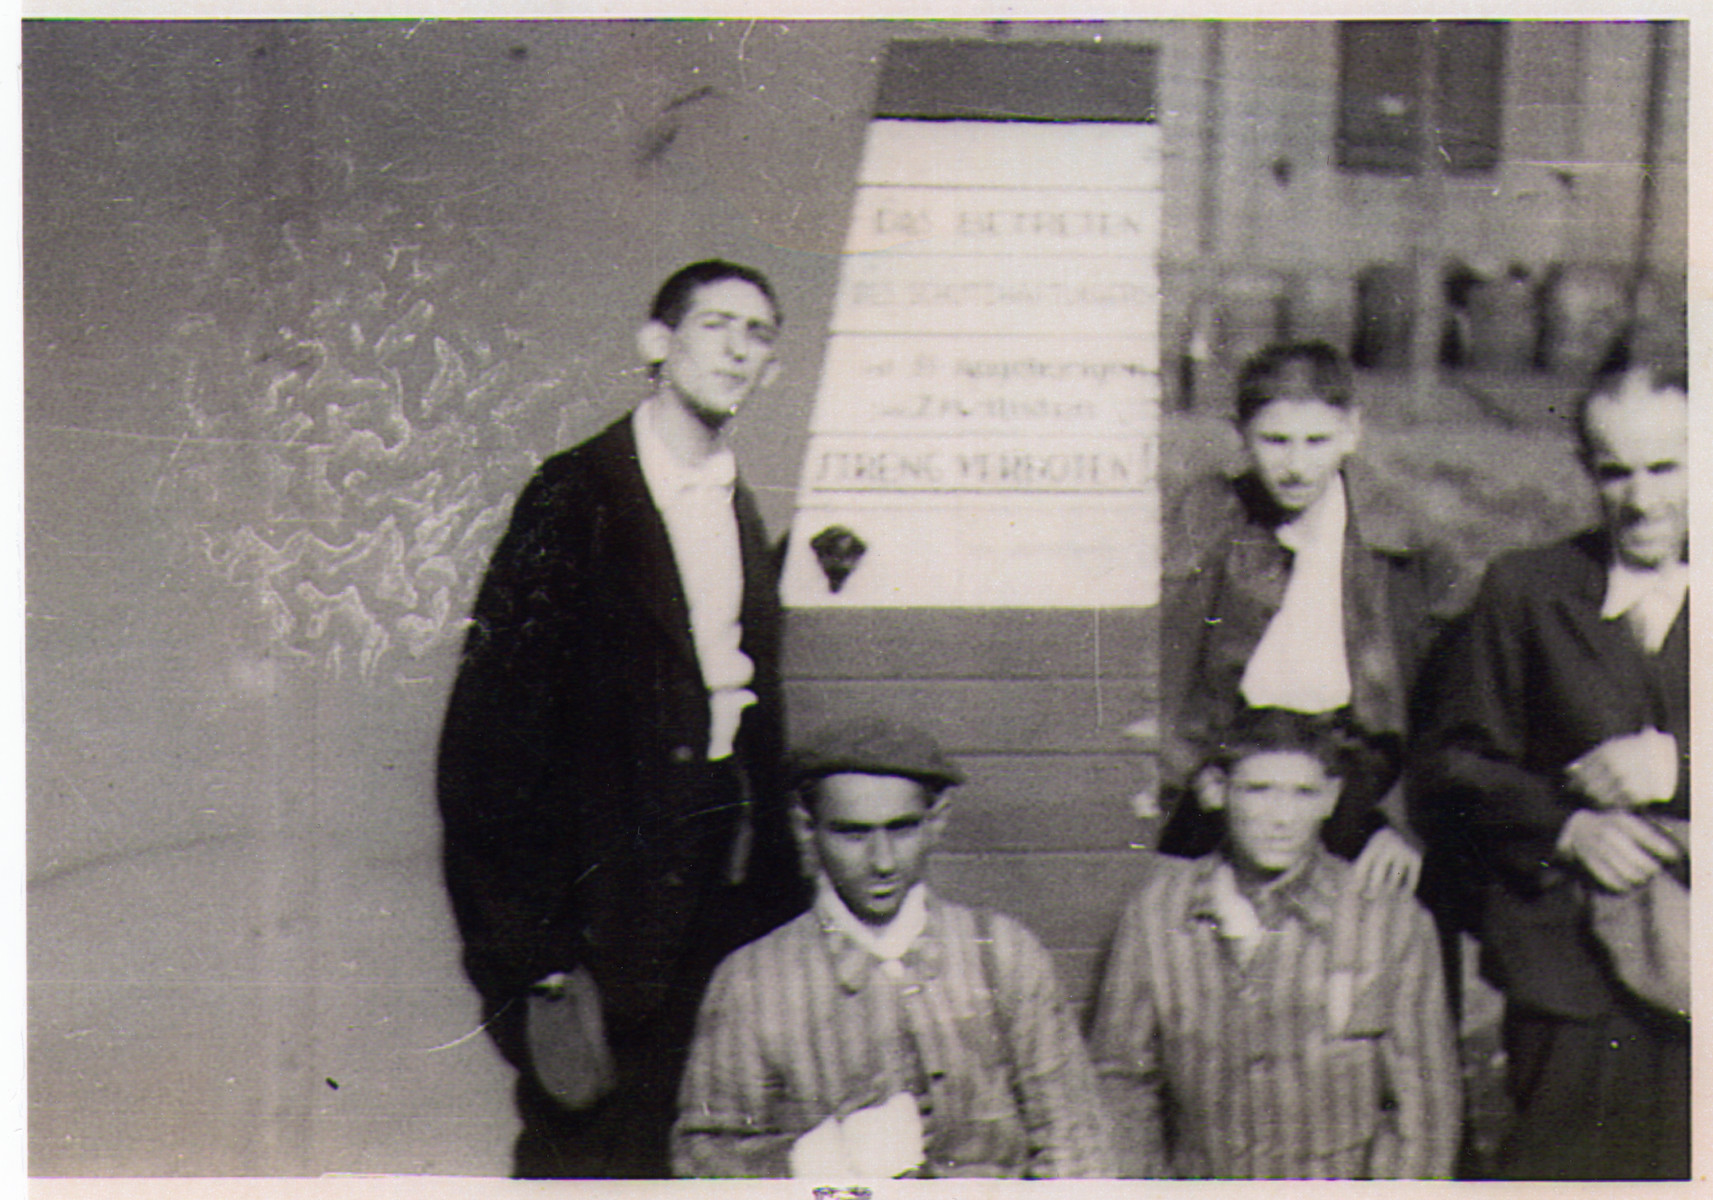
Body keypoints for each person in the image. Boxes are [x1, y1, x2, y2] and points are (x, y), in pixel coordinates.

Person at [436, 260, 809, 1178]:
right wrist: (539, 955)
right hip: (602, 919)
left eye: (758, 334)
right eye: (716, 323)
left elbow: (749, 717)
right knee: (589, 1154)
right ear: (656, 344)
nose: (737, 347)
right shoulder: (574, 497)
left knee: (713, 1151)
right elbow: (486, 745)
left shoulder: (736, 505)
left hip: (722, 908)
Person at [1411, 350, 1688, 1180]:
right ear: (1584, 471)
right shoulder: (1526, 590)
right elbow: (1450, 765)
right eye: (1614, 472)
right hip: (1567, 973)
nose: (1640, 500)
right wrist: (1566, 828)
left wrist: (1678, 767)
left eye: (1666, 467)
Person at [672, 716, 1116, 1179]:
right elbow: (699, 1161)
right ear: (806, 828)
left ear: (937, 821)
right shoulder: (752, 981)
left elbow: (1077, 1144)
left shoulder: (1004, 955)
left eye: (902, 829)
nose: (882, 862)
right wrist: (815, 1159)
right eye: (852, 833)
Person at [1089, 707, 1461, 1179]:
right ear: (1217, 792)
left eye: (1303, 793)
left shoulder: (1389, 920)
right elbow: (1120, 1080)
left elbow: (1423, 1108)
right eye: (1258, 790)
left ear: (1331, 798)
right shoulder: (1158, 913)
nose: (1281, 818)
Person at [1158, 340, 1449, 894]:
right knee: (1185, 902)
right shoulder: (1212, 516)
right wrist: (1193, 772)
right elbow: (1170, 665)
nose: (1295, 465)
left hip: (1358, 775)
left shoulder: (1401, 534)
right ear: (1240, 434)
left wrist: (1406, 821)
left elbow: (1447, 694)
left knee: (1393, 902)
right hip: (1235, 762)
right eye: (1274, 441)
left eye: (1317, 441)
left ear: (1352, 432)